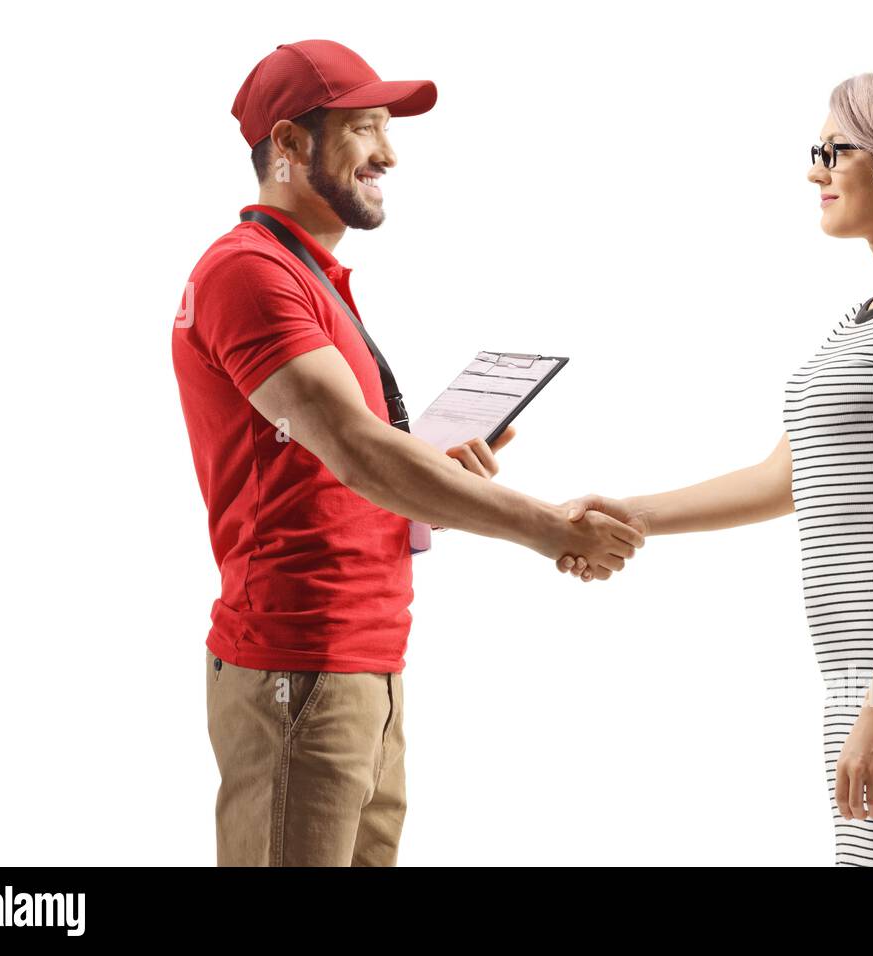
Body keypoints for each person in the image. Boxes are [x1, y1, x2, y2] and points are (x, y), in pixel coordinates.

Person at [171, 39, 643, 867]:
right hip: (298, 664)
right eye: (363, 129)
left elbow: (344, 472)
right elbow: (359, 452)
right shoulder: (247, 273)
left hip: (362, 664)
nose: (388, 153)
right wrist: (547, 529)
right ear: (287, 145)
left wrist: (431, 488)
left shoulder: (310, 277)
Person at [558, 73, 873, 866]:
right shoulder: (863, 323)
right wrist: (630, 512)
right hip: (867, 686)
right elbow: (785, 480)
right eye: (819, 151)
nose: (816, 171)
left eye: (835, 151)